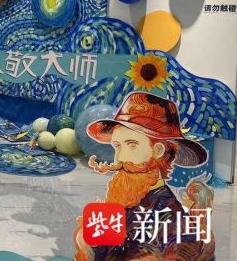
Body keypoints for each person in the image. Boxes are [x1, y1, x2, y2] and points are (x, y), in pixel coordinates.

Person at [74, 92, 215, 261]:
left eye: (132, 145)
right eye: (117, 146)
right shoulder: (125, 201)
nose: (120, 158)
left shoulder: (174, 224)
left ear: (158, 151)